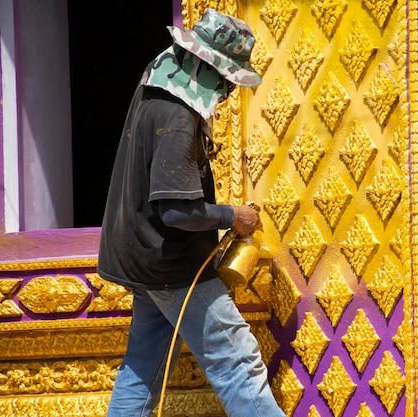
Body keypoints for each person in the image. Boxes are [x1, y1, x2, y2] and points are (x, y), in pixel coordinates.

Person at [97, 9, 285, 417]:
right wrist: (232, 215)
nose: (228, 92)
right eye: (226, 81)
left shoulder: (160, 72)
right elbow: (177, 212)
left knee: (142, 371)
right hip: (169, 263)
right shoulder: (180, 116)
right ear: (209, 68)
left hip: (140, 252)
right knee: (238, 361)